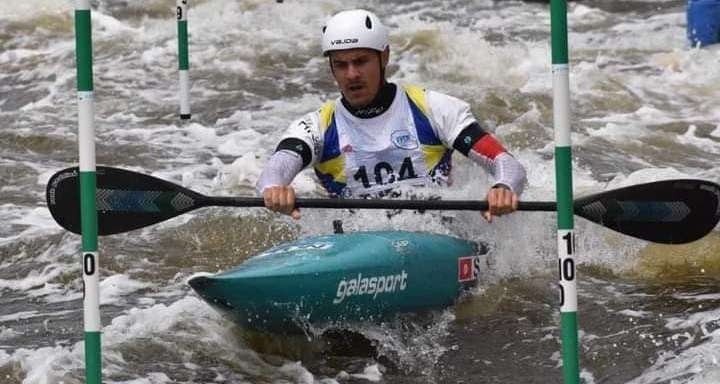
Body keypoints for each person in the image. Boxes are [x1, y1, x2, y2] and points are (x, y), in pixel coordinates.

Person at [257, 9, 526, 222]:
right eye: (341, 65)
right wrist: (274, 189)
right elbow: (274, 171)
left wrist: (502, 187)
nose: (352, 74)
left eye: (361, 61)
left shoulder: (434, 108)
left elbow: (507, 163)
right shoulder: (315, 126)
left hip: (436, 236)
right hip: (356, 242)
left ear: (384, 57)